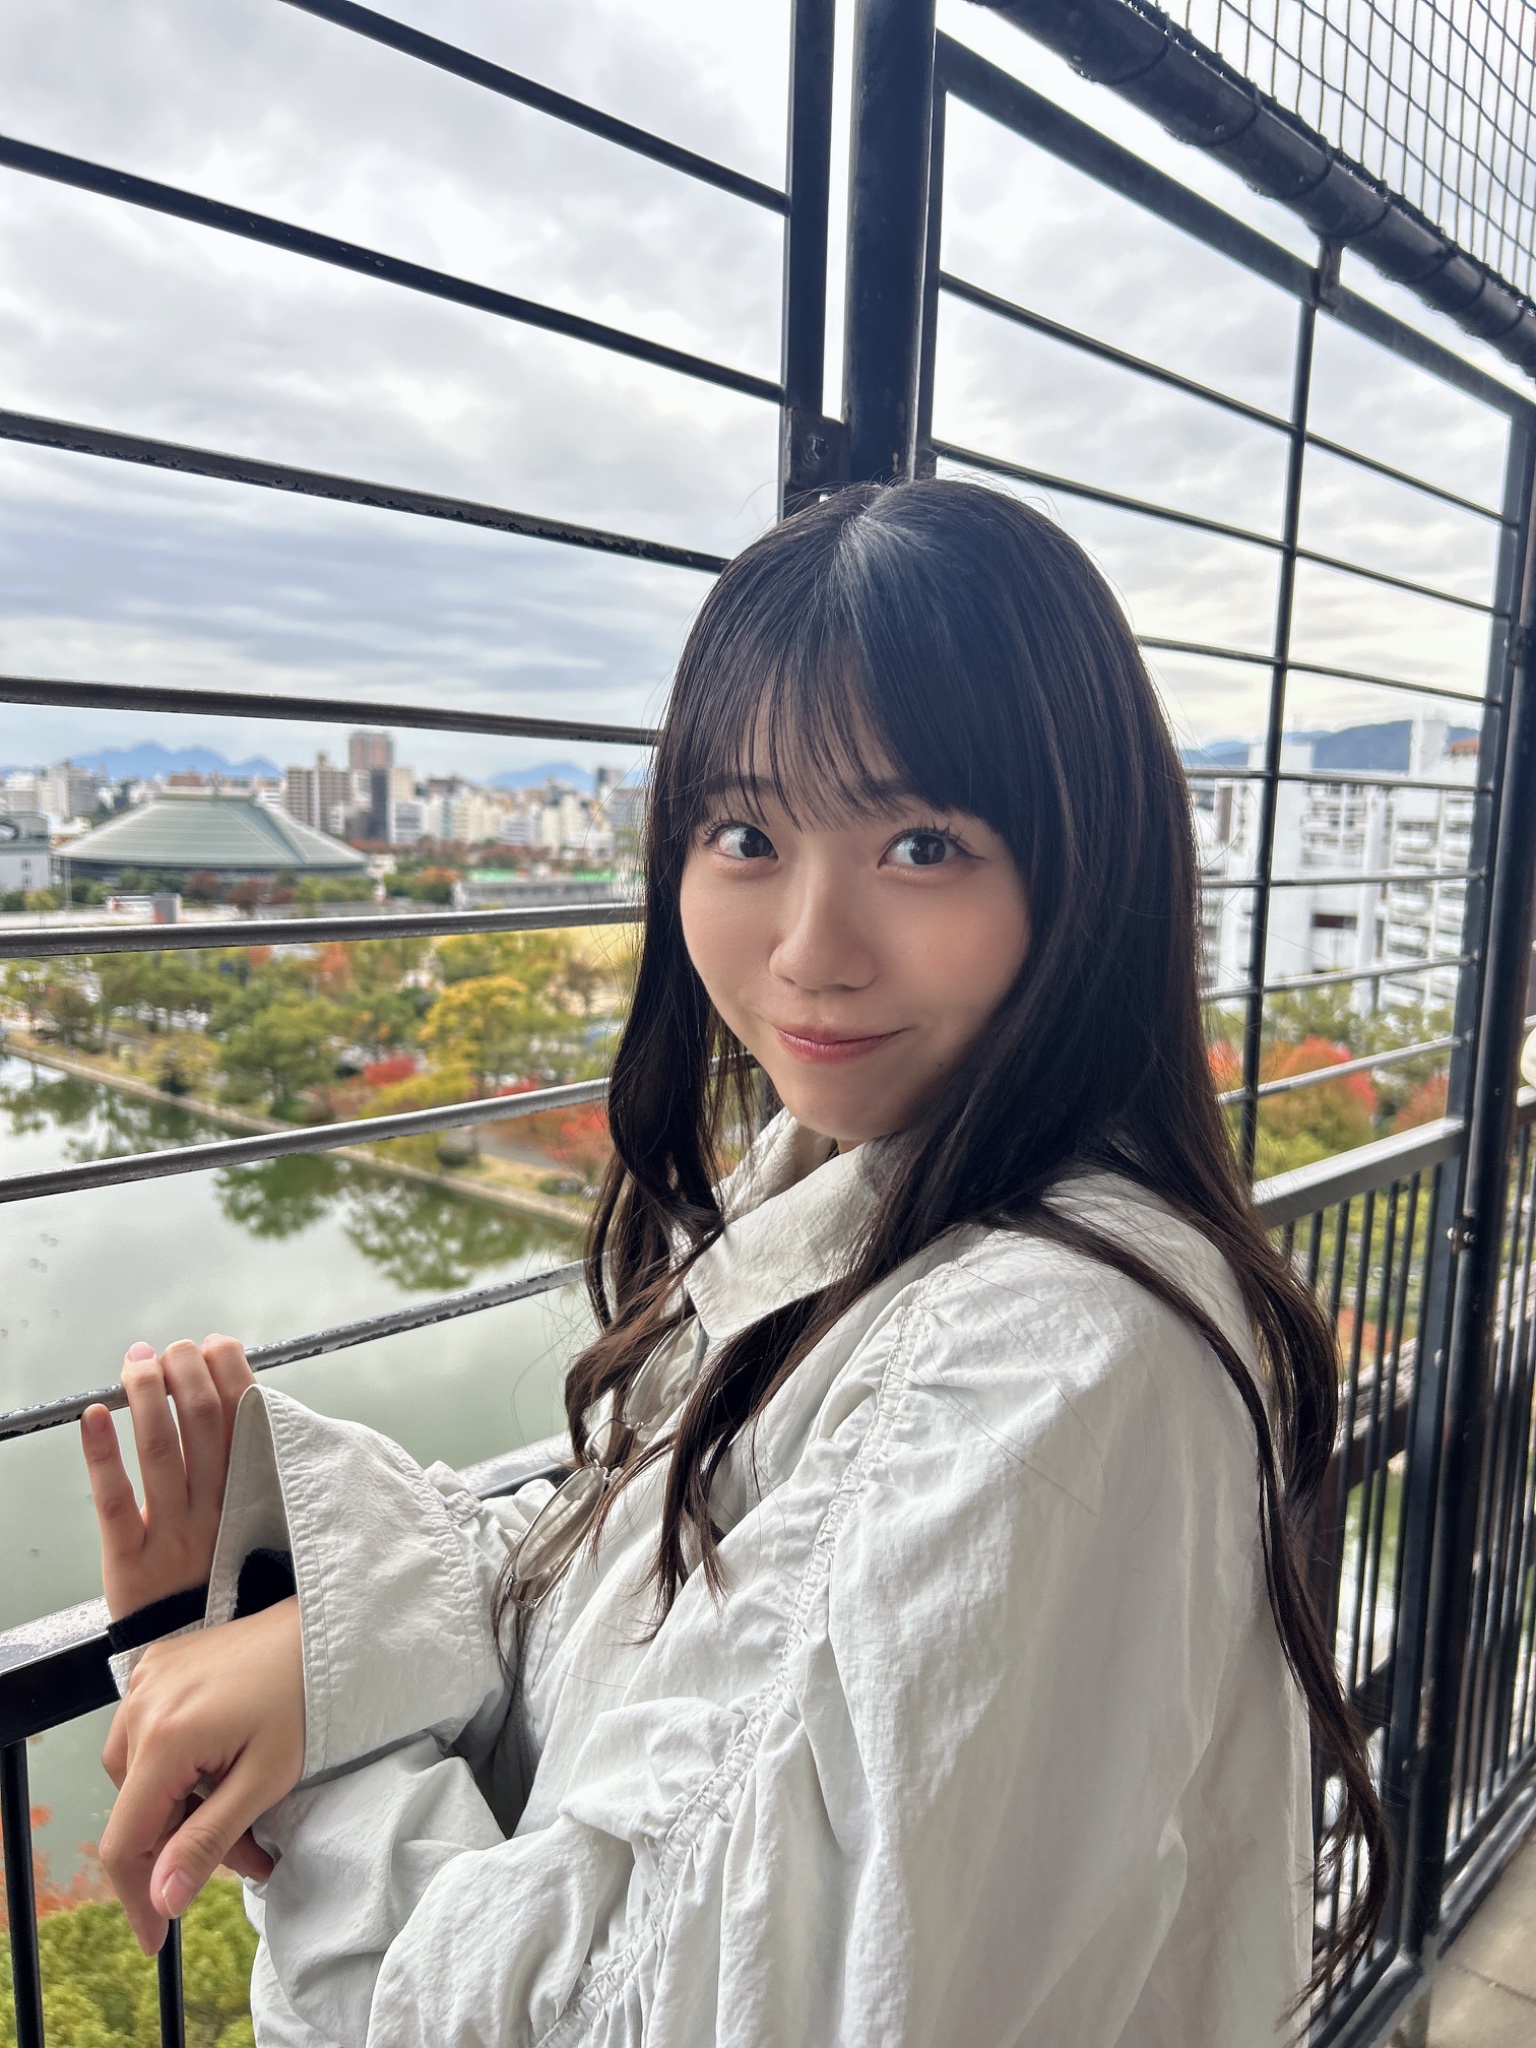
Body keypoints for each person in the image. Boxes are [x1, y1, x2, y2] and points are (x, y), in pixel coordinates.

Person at [81, 479, 1385, 2047]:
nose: (811, 947)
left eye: (922, 843)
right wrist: (317, 1632)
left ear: (1083, 871)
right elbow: (644, 1642)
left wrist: (330, 1769)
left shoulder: (1049, 1360)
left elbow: (645, 2015)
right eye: (746, 833)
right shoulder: (838, 1205)